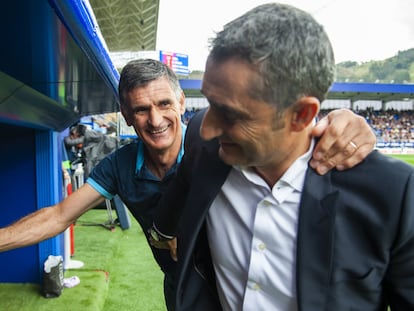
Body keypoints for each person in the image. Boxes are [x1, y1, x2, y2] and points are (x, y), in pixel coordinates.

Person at [0, 58, 374, 310]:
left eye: (164, 104)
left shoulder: (218, 143)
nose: (156, 119)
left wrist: (340, 120)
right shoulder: (119, 166)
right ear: (127, 116)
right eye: (141, 109)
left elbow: (281, 132)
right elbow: (59, 215)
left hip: (249, 287)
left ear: (181, 102)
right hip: (184, 290)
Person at [151, 3, 414, 311]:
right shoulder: (203, 143)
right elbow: (171, 220)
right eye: (210, 103)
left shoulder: (391, 192)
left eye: (230, 114)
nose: (207, 129)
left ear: (302, 115)